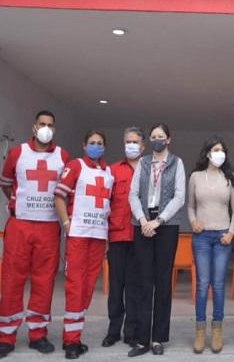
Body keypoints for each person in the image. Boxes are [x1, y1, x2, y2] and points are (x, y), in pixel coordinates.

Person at [0, 110, 70, 359]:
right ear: (34, 127)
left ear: (54, 129)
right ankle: (6, 337)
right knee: (12, 279)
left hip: (48, 226)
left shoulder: (62, 156)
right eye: (42, 124)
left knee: (44, 281)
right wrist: (18, 203)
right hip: (20, 224)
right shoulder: (18, 153)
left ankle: (38, 333)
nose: (46, 128)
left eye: (50, 125)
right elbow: (6, 183)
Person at [54, 129, 114, 360]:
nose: (96, 146)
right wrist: (67, 223)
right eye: (92, 142)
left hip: (98, 236)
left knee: (88, 286)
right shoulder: (75, 165)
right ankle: (70, 341)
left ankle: (75, 336)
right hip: (78, 234)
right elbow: (59, 195)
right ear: (84, 145)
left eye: (100, 143)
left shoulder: (108, 171)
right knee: (75, 285)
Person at [128, 123, 186, 356]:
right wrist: (143, 220)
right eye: (153, 137)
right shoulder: (142, 163)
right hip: (142, 224)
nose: (157, 140)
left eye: (161, 136)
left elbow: (179, 196)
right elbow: (132, 194)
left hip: (166, 225)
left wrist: (158, 221)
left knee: (163, 282)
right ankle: (142, 339)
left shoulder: (177, 163)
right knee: (143, 282)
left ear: (169, 140)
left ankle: (158, 338)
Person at [187, 136, 234, 354]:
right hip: (201, 237)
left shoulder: (229, 178)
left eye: (223, 150)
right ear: (207, 153)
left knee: (218, 285)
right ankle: (200, 331)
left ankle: (217, 330)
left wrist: (231, 233)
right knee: (202, 284)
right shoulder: (195, 177)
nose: (220, 154)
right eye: (216, 150)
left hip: (222, 238)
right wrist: (194, 222)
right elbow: (190, 206)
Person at [102, 127, 145, 348]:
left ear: (143, 146)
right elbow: (104, 203)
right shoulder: (112, 170)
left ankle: (131, 331)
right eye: (128, 141)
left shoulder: (149, 170)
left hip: (140, 237)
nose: (131, 145)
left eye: (135, 142)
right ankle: (113, 330)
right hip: (117, 236)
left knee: (135, 288)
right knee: (116, 287)